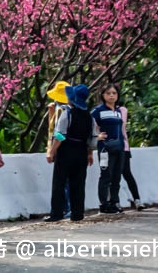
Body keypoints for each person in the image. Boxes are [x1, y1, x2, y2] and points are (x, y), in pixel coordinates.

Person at [45, 84, 103, 222]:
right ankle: (77, 213)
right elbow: (93, 137)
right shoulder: (89, 117)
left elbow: (59, 135)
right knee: (78, 183)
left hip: (66, 150)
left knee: (59, 182)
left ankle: (56, 213)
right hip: (82, 150)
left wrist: (52, 152)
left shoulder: (67, 113)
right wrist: (90, 153)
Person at [91, 83, 126, 214]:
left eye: (114, 93)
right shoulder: (98, 110)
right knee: (106, 175)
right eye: (108, 93)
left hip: (119, 147)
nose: (111, 95)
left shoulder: (118, 111)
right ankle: (103, 203)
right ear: (103, 95)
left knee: (117, 176)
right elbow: (88, 124)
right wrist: (96, 136)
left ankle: (114, 202)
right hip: (105, 148)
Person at [46, 81, 72, 219]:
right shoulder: (62, 109)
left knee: (63, 181)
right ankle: (65, 208)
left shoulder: (62, 110)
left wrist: (51, 149)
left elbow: (58, 132)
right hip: (64, 147)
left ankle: (66, 208)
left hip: (61, 148)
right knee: (65, 180)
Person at [120, 101, 144, 210]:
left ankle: (137, 200)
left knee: (127, 174)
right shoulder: (101, 110)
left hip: (123, 147)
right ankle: (114, 202)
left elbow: (122, 125)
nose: (111, 95)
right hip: (109, 147)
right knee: (111, 177)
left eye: (114, 93)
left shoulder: (122, 110)